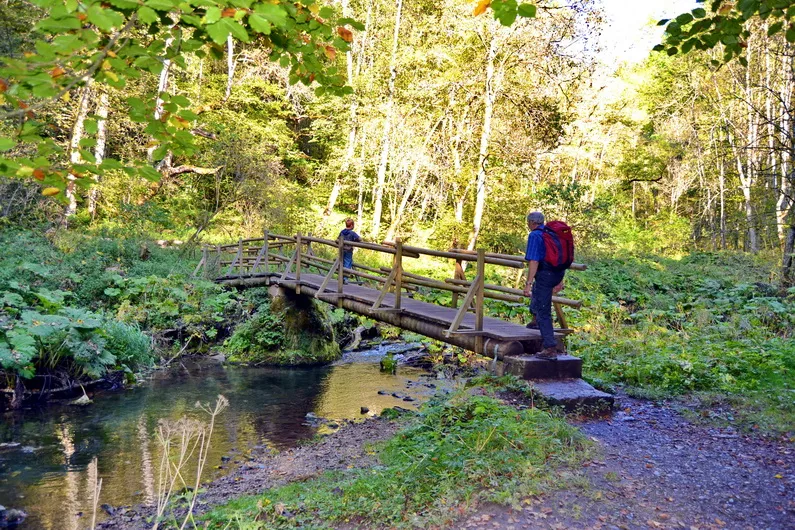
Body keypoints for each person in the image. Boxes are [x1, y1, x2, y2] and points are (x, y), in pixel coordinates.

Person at [522, 211, 565, 359]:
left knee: (543, 311)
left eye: (528, 223)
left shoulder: (534, 235)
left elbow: (534, 261)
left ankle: (550, 348)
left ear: (531, 223)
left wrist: (528, 283)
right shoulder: (552, 234)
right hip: (557, 273)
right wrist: (560, 280)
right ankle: (535, 322)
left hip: (545, 275)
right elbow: (561, 258)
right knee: (539, 296)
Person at [339, 218, 362, 284]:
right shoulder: (352, 233)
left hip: (342, 249)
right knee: (347, 263)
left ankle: (341, 277)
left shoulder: (342, 232)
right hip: (348, 251)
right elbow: (360, 239)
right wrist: (355, 241)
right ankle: (345, 278)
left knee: (342, 262)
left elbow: (338, 239)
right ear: (351, 225)